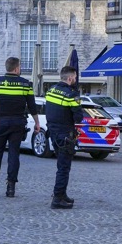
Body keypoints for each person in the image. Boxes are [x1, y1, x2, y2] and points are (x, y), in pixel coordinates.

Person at [0, 57, 37, 196]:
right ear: (16, 68)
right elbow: (32, 106)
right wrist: (37, 123)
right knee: (14, 155)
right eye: (20, 66)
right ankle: (11, 188)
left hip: (0, 123)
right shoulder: (26, 84)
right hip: (17, 124)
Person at [44, 65, 82, 209]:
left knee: (61, 165)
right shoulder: (71, 94)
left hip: (53, 133)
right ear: (71, 78)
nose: (75, 80)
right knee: (64, 167)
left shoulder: (51, 90)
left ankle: (62, 194)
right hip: (66, 134)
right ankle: (58, 198)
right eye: (75, 77)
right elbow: (78, 118)